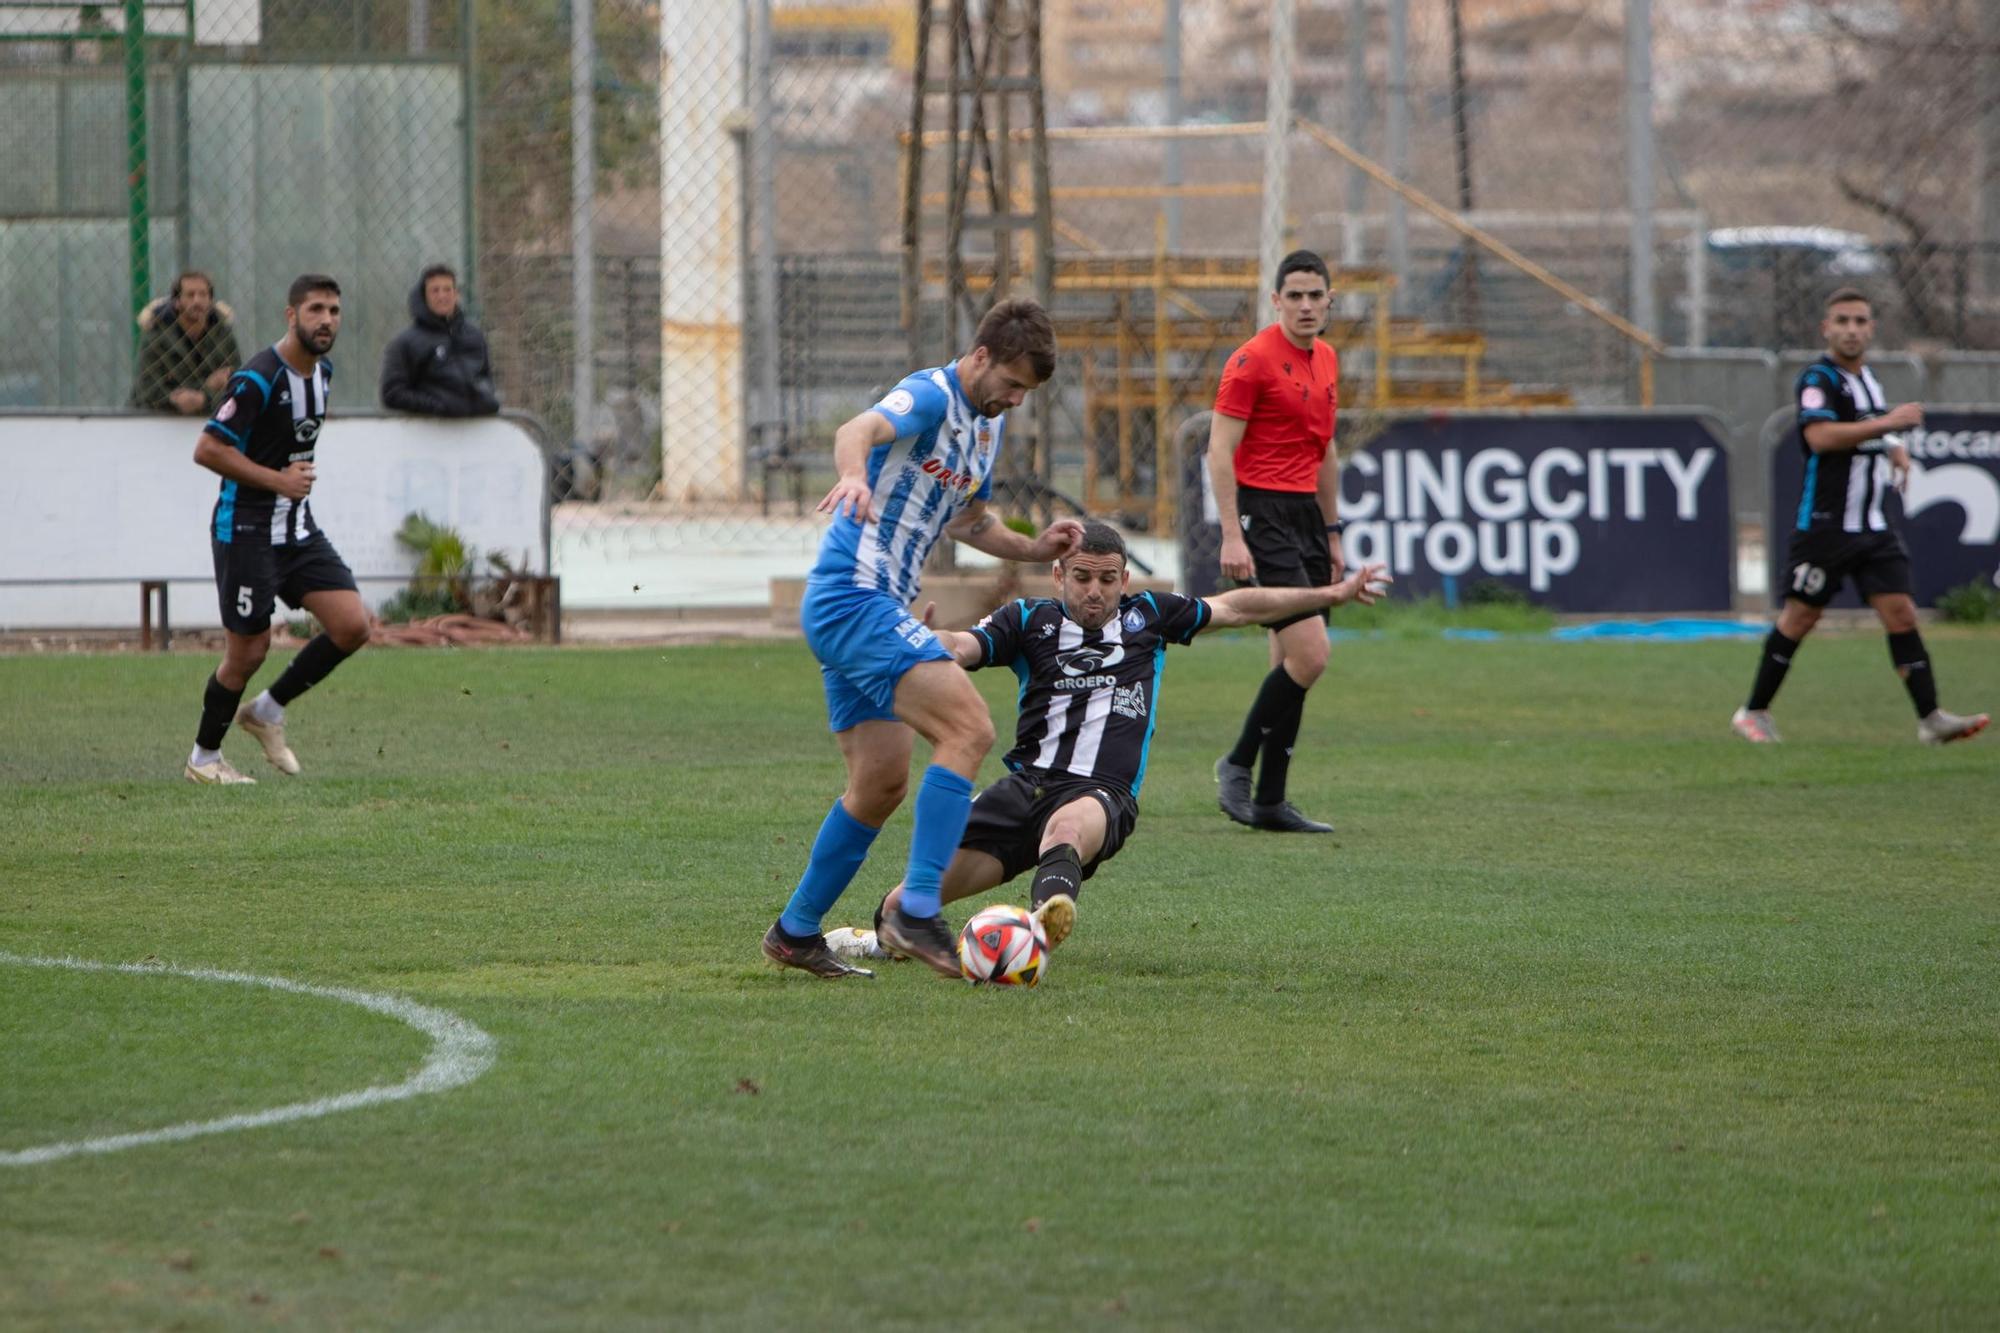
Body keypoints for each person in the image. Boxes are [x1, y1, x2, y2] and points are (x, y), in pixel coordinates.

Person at [825, 522, 1392, 964]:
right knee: (903, 909)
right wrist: (924, 642)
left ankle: (1039, 925)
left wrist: (1331, 594)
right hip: (1024, 788)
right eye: (1082, 578)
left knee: (1067, 829)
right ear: (1059, 576)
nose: (1095, 592)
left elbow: (1239, 606)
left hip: (1102, 795)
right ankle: (876, 938)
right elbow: (965, 645)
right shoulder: (1029, 621)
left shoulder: (1149, 616)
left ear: (1124, 579)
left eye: (1107, 579)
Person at [762, 298, 1085, 980]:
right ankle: (914, 908)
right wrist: (853, 473)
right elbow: (860, 428)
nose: (1016, 399)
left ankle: (794, 931)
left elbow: (971, 522)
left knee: (880, 782)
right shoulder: (933, 393)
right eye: (1012, 383)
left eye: (1027, 391)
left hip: (873, 605)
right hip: (853, 596)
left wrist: (1034, 548)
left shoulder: (986, 432)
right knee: (969, 727)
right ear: (980, 358)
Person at [1731, 288, 1987, 747]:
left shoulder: (1867, 379)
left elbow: (1866, 426)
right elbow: (1822, 436)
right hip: (1826, 525)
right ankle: (1753, 712)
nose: (1851, 329)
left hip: (1872, 526)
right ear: (1826, 329)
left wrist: (1894, 448)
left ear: (1871, 328)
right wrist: (1890, 425)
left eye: (1860, 321)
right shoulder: (1818, 378)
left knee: (1902, 613)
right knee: (1799, 618)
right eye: (1843, 321)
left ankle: (1931, 719)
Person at [184, 274, 373, 784]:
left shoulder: (323, 373)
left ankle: (266, 711)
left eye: (334, 310)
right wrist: (278, 481)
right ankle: (204, 758)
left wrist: (289, 488)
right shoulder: (258, 377)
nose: (326, 320)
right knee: (248, 652)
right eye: (315, 310)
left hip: (296, 530)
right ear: (292, 316)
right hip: (245, 529)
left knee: (352, 625)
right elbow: (208, 449)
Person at [1206, 249, 1346, 834]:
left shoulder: (1329, 359)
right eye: (1296, 295)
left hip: (1306, 520)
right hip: (1261, 512)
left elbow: (1326, 453)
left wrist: (1334, 532)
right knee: (1311, 656)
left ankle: (1269, 799)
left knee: (1290, 663)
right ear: (1276, 300)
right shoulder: (1252, 361)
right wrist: (1233, 534)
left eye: (1317, 295)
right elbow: (1218, 451)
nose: (1307, 305)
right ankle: (1236, 765)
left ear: (1329, 300)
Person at [379, 264, 499, 417]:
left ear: (456, 294)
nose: (442, 296)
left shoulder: (475, 336)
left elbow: (486, 379)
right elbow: (392, 394)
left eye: (447, 289)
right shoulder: (404, 343)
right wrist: (438, 407)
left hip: (477, 432)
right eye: (435, 290)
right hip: (429, 434)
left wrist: (486, 401)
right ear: (424, 296)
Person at [129, 271, 242, 416]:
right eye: (190, 295)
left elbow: (238, 387)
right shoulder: (156, 336)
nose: (197, 301)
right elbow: (147, 391)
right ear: (176, 302)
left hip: (211, 421)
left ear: (211, 300)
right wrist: (206, 387)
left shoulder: (223, 336)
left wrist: (203, 400)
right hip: (155, 421)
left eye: (203, 294)